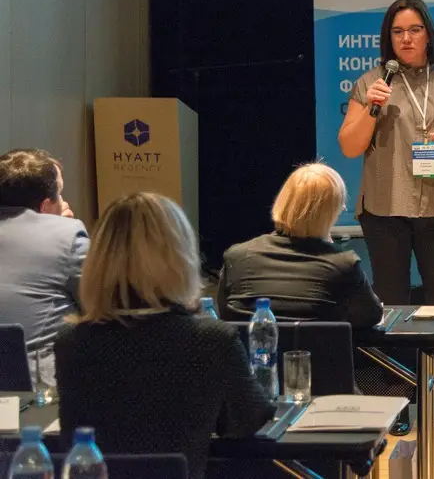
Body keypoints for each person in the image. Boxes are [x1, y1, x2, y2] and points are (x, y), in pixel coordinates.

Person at [338, 0, 434, 429]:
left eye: (414, 30)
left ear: (428, 35)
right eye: (398, 31)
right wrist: (371, 107)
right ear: (388, 38)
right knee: (391, 304)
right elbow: (349, 146)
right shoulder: (371, 83)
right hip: (385, 208)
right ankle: (397, 393)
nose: (406, 38)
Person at [54, 192, 275, 479]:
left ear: (98, 262)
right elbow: (249, 420)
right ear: (180, 258)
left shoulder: (71, 341)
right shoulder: (212, 340)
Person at [217, 162, 383, 328]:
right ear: (330, 213)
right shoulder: (343, 264)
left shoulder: (237, 256)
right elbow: (370, 316)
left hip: (254, 345)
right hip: (318, 346)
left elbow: (226, 316)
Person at [0, 148, 89, 389]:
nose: (65, 202)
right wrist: (62, 230)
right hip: (38, 395)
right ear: (46, 206)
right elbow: (104, 308)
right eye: (60, 193)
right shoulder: (68, 235)